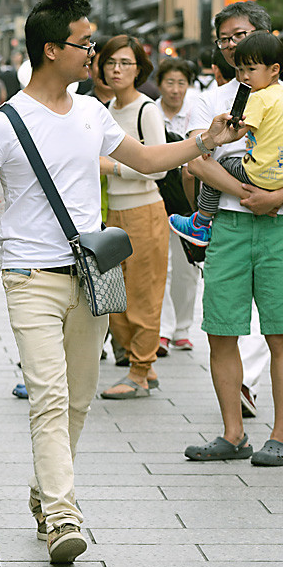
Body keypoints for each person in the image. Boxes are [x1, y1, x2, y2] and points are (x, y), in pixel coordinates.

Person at [0, 0, 243, 563]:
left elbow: (148, 160)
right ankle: (62, 515)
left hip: (88, 274)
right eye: (85, 42)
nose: (93, 52)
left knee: (77, 400)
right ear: (51, 49)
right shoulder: (4, 124)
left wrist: (204, 142)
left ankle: (45, 492)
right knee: (49, 397)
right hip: (29, 276)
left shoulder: (91, 113)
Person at [181, 1, 283, 467]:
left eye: (241, 35)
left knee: (282, 332)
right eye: (226, 39)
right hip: (228, 222)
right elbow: (196, 160)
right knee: (221, 332)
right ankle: (232, 433)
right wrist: (250, 193)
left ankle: (281, 436)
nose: (234, 45)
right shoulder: (212, 100)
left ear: (263, 37)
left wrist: (276, 197)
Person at [169, 33, 283, 261]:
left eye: (250, 70)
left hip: (259, 173)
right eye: (240, 70)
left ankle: (201, 222)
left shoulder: (257, 98)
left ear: (274, 69)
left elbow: (237, 133)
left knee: (221, 163)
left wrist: (218, 134)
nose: (244, 77)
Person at [96, 35, 168, 399]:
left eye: (125, 63)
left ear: (139, 69)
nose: (117, 69)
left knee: (143, 294)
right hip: (115, 213)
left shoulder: (146, 109)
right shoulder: (107, 109)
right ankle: (144, 363)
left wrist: (111, 167)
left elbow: (159, 169)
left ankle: (139, 371)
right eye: (110, 63)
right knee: (114, 297)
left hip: (145, 211)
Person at [155, 57, 200, 355]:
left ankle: (183, 327)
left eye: (181, 83)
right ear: (160, 84)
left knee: (187, 266)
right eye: (169, 83)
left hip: (188, 196)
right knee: (163, 266)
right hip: (158, 195)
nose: (175, 90)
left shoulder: (196, 112)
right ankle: (164, 329)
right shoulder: (150, 111)